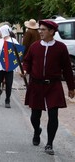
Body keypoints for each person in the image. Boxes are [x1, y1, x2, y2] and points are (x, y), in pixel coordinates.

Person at [22, 20, 75, 155]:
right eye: (39, 29)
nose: (40, 31)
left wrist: (71, 87)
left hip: (53, 85)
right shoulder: (34, 46)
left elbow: (67, 69)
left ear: (51, 32)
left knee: (53, 115)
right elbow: (27, 61)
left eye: (43, 29)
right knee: (35, 116)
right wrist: (25, 70)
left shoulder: (61, 47)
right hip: (36, 85)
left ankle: (50, 143)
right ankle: (36, 131)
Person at [0, 24, 19, 108]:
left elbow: (18, 51)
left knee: (9, 83)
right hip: (0, 64)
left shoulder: (13, 41)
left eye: (0, 31)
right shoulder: (0, 41)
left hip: (9, 64)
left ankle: (7, 99)